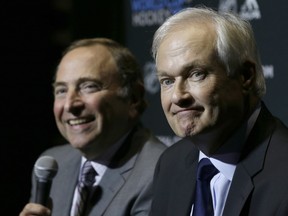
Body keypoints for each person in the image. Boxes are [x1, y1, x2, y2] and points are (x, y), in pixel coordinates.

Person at [149, 7, 288, 216]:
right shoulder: (170, 164)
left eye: (196, 74)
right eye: (167, 81)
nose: (177, 96)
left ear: (245, 76)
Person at [19, 38, 167, 216]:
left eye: (88, 87)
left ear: (133, 98)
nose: (69, 105)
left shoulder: (160, 172)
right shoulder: (53, 163)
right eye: (61, 90)